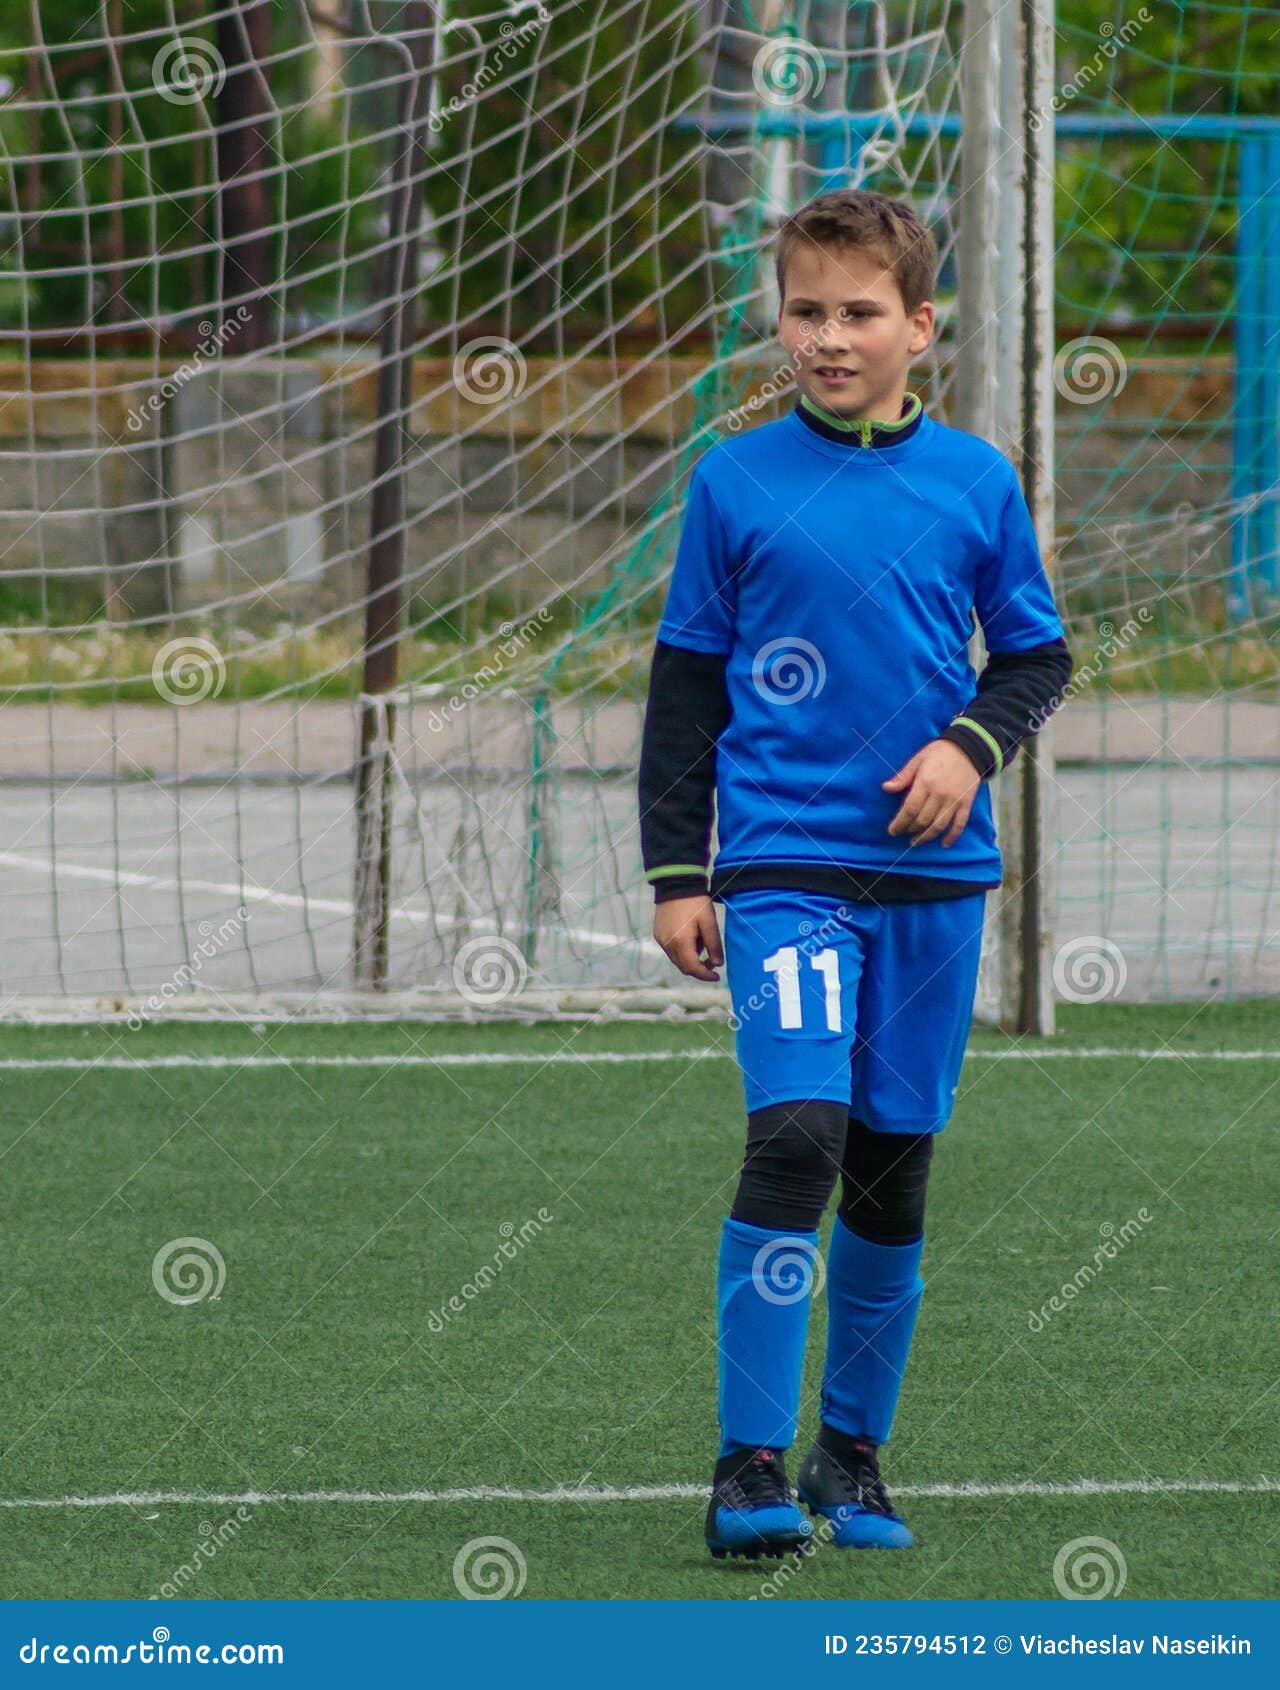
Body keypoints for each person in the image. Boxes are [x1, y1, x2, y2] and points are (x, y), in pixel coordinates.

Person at [637, 188, 1073, 1560]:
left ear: (919, 327)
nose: (828, 337)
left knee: (891, 1170)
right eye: (806, 310)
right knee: (797, 1137)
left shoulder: (976, 483)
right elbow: (686, 687)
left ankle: (852, 1456)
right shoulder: (736, 482)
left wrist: (969, 746)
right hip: (782, 872)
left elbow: (1038, 657)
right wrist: (674, 869)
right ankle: (747, 1462)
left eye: (859, 312)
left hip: (935, 884)